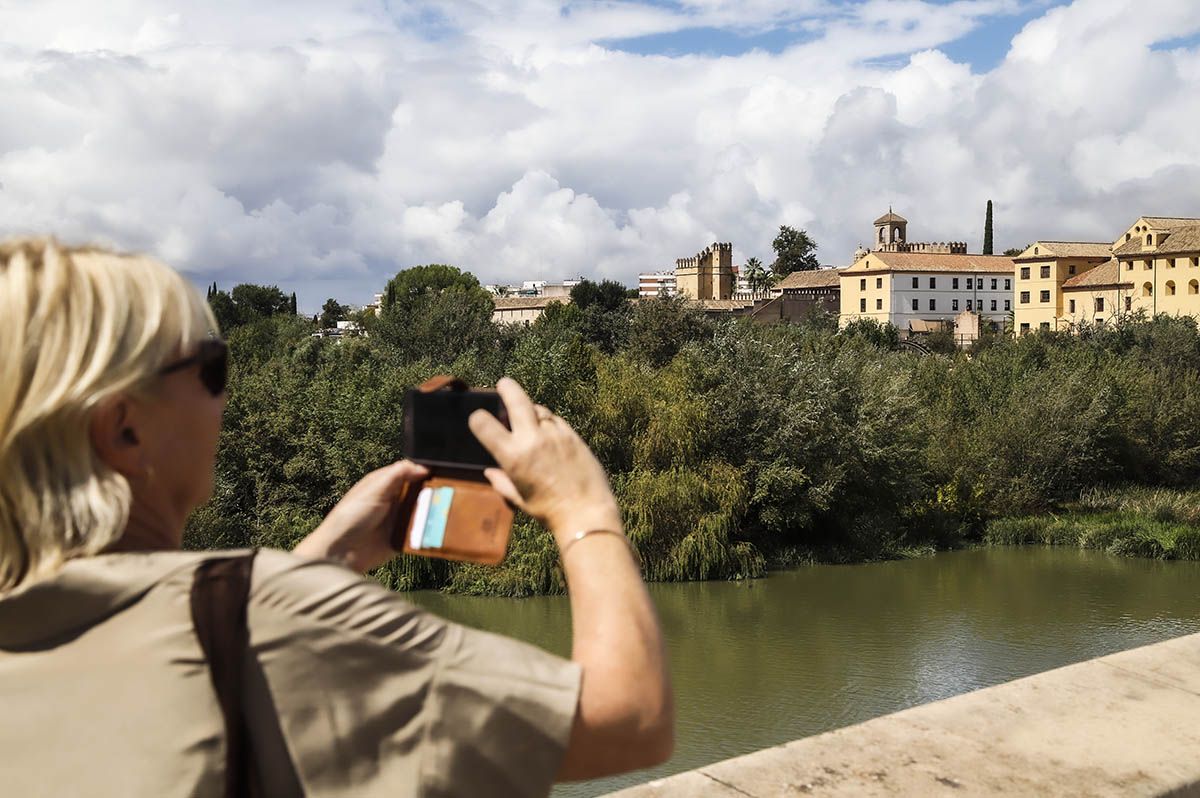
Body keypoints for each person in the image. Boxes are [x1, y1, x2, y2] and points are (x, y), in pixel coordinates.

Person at [0, 238, 673, 797]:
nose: (225, 398)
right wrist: (581, 504)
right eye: (212, 368)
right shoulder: (278, 616)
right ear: (124, 430)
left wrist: (322, 560)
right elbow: (627, 719)